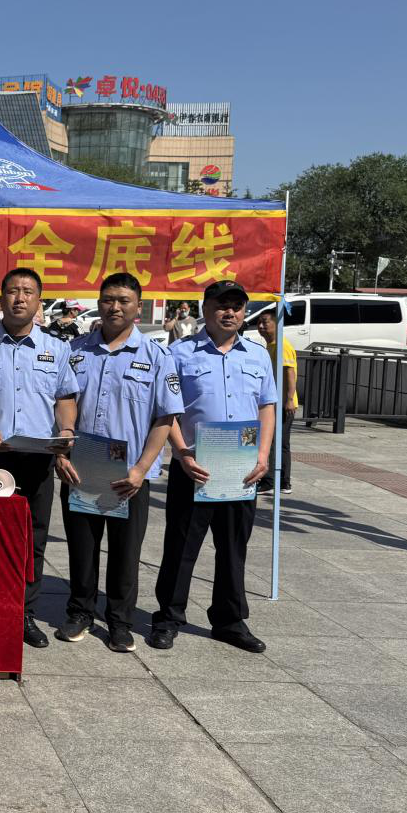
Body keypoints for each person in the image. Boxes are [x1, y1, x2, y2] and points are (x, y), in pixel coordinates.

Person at [55, 272, 182, 653]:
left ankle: (120, 621)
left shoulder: (156, 357)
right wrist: (62, 448)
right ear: (99, 302)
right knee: (82, 547)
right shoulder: (75, 351)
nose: (115, 307)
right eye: (108, 299)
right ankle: (80, 611)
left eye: (124, 300)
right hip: (82, 465)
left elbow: (165, 417)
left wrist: (141, 469)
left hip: (130, 473)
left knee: (126, 553)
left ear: (138, 307)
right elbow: (63, 400)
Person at [150, 280, 277, 654]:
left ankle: (229, 620)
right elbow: (167, 409)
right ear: (205, 309)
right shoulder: (180, 353)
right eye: (222, 305)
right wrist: (181, 453)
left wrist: (263, 456)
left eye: (237, 306)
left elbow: (267, 407)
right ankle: (168, 618)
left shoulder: (257, 355)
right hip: (195, 466)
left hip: (241, 468)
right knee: (181, 547)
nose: (230, 312)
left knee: (234, 548)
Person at [0, 267, 79, 648]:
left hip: (38, 457)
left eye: (28, 292)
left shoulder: (57, 348)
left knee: (34, 537)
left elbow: (65, 398)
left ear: (39, 301)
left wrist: (66, 431)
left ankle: (24, 613)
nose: (20, 298)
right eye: (13, 291)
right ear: (0, 300)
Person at [256, 309, 296, 493]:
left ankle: (281, 481)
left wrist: (289, 399)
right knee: (271, 441)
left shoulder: (282, 345)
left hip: (283, 403)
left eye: (265, 322)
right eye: (259, 322)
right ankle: (271, 479)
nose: (261, 326)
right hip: (273, 402)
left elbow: (290, 373)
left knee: (280, 442)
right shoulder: (270, 346)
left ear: (277, 323)